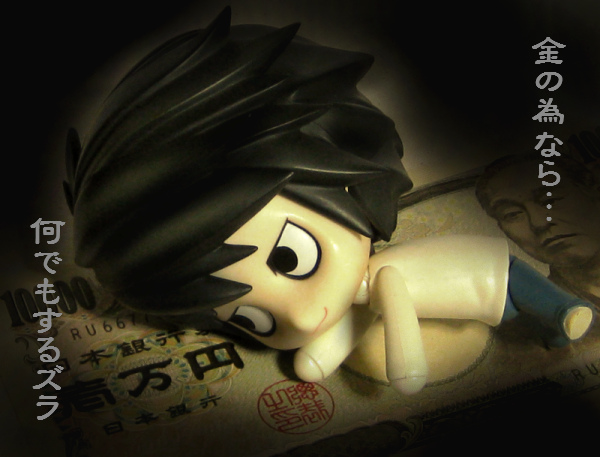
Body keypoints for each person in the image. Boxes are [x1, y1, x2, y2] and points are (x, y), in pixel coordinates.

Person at [64, 8, 594, 394]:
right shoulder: (341, 308)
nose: (302, 318)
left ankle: (561, 312)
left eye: (291, 257)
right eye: (248, 319)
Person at [476, 153, 600, 311]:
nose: (539, 222)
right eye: (512, 214)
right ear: (503, 229)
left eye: (550, 200)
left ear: (595, 191)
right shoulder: (540, 316)